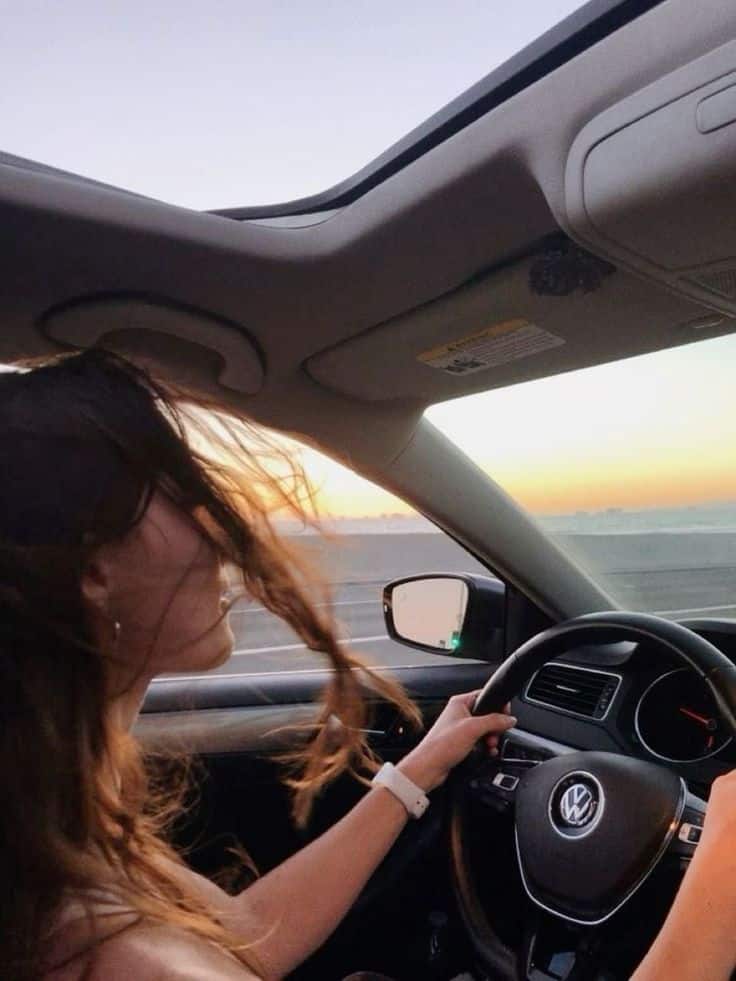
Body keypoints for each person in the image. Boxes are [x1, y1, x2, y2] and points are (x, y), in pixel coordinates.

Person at [0, 349, 516, 981]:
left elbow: (247, 938)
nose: (220, 531)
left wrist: (419, 768)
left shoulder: (60, 824)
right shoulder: (111, 954)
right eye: (181, 497)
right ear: (92, 568)